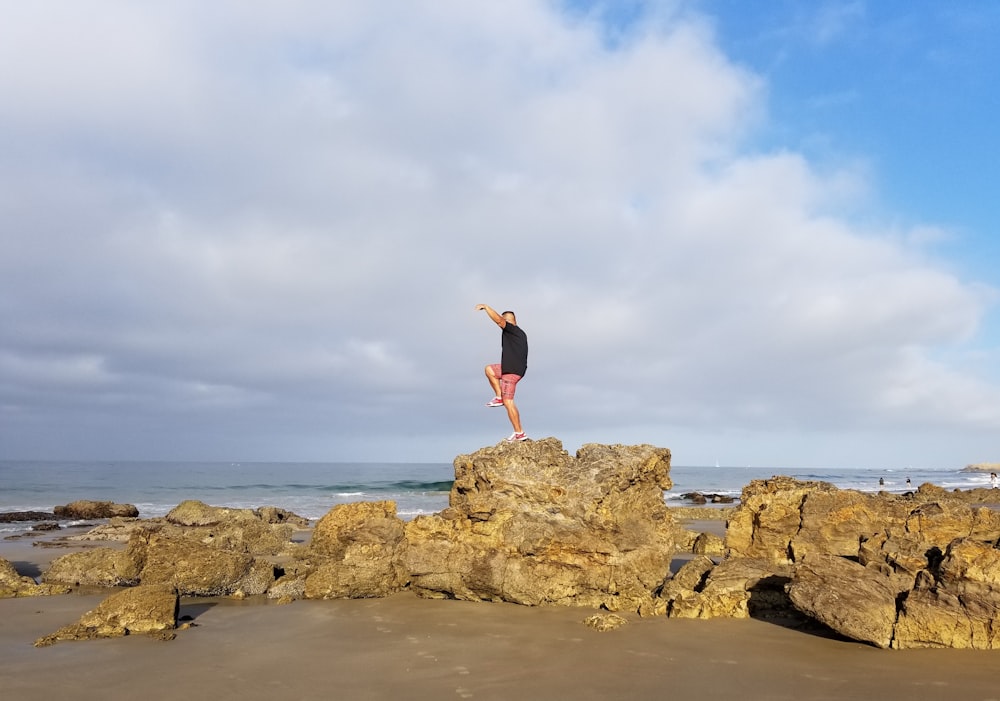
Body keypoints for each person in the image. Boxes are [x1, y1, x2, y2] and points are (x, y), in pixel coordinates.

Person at [475, 303, 528, 442]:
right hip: (509, 367)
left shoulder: (513, 330)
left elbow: (498, 320)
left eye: (508, 320)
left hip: (512, 371)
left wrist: (486, 307)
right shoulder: (517, 333)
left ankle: (519, 433)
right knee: (490, 370)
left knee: (508, 401)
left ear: (513, 321)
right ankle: (498, 396)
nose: (506, 322)